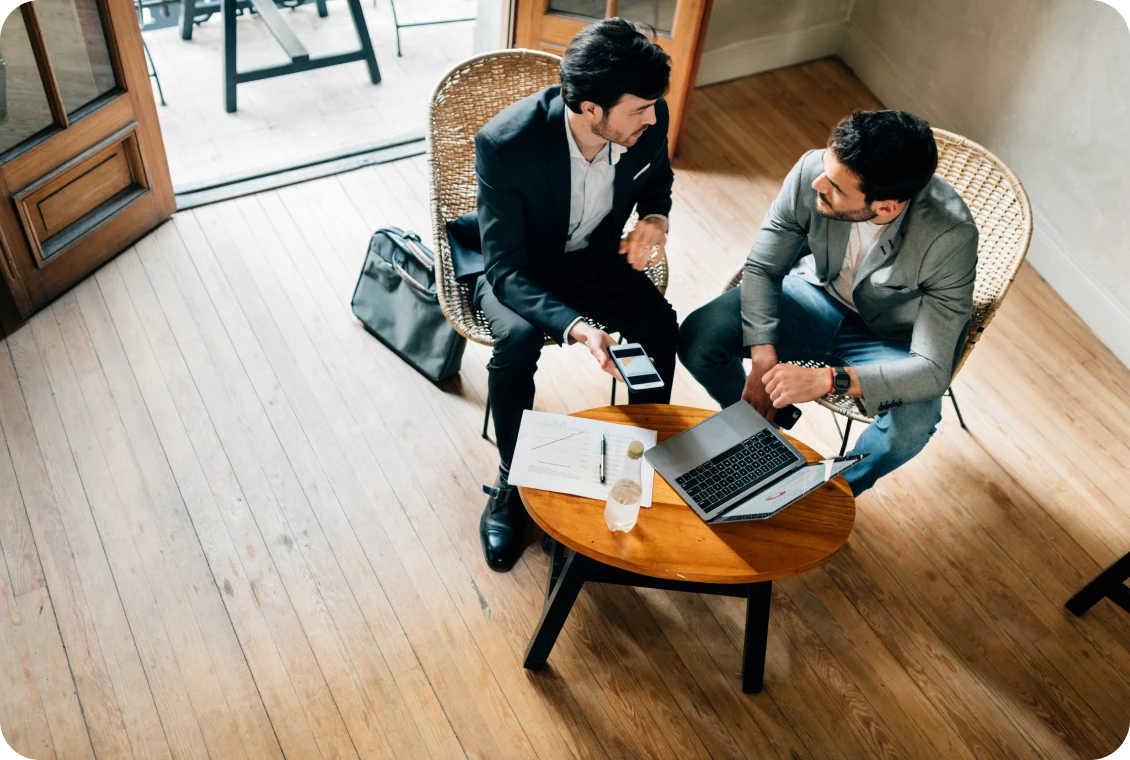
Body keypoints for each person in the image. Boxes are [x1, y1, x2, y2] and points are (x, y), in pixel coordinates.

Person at [678, 110, 978, 495]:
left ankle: (830, 497)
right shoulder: (813, 172)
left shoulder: (949, 237)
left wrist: (825, 380)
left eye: (836, 187)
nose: (818, 183)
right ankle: (752, 430)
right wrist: (763, 358)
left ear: (886, 207)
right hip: (812, 293)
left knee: (914, 424)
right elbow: (764, 267)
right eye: (825, 167)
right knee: (699, 337)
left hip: (887, 334)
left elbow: (933, 370)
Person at [473, 18, 679, 570]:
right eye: (640, 108)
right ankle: (512, 481)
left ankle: (640, 463)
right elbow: (505, 269)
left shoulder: (643, 125)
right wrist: (580, 327)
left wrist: (655, 216)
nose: (654, 118)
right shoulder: (505, 144)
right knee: (515, 345)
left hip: (592, 260)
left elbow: (657, 175)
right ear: (591, 109)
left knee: (661, 326)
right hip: (519, 269)